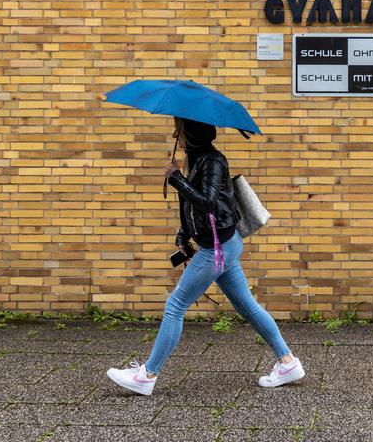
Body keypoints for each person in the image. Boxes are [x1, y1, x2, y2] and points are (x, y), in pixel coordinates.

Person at [107, 117, 304, 396]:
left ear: (194, 133)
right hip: (224, 245)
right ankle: (287, 363)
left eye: (181, 129)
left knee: (175, 305)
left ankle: (147, 375)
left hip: (217, 248)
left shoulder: (213, 161)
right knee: (248, 306)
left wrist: (176, 180)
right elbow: (196, 208)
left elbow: (208, 201)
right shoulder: (198, 158)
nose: (177, 133)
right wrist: (183, 232)